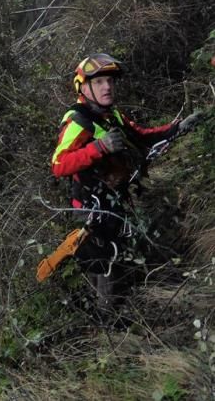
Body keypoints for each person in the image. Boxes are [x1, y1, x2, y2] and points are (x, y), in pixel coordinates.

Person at [50, 53, 202, 304]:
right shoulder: (78, 122)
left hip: (113, 199)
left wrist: (178, 127)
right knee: (107, 259)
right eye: (98, 82)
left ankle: (110, 310)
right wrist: (98, 148)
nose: (107, 86)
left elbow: (141, 136)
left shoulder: (111, 115)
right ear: (83, 87)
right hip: (92, 206)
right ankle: (107, 319)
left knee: (117, 255)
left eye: (109, 81)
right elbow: (58, 164)